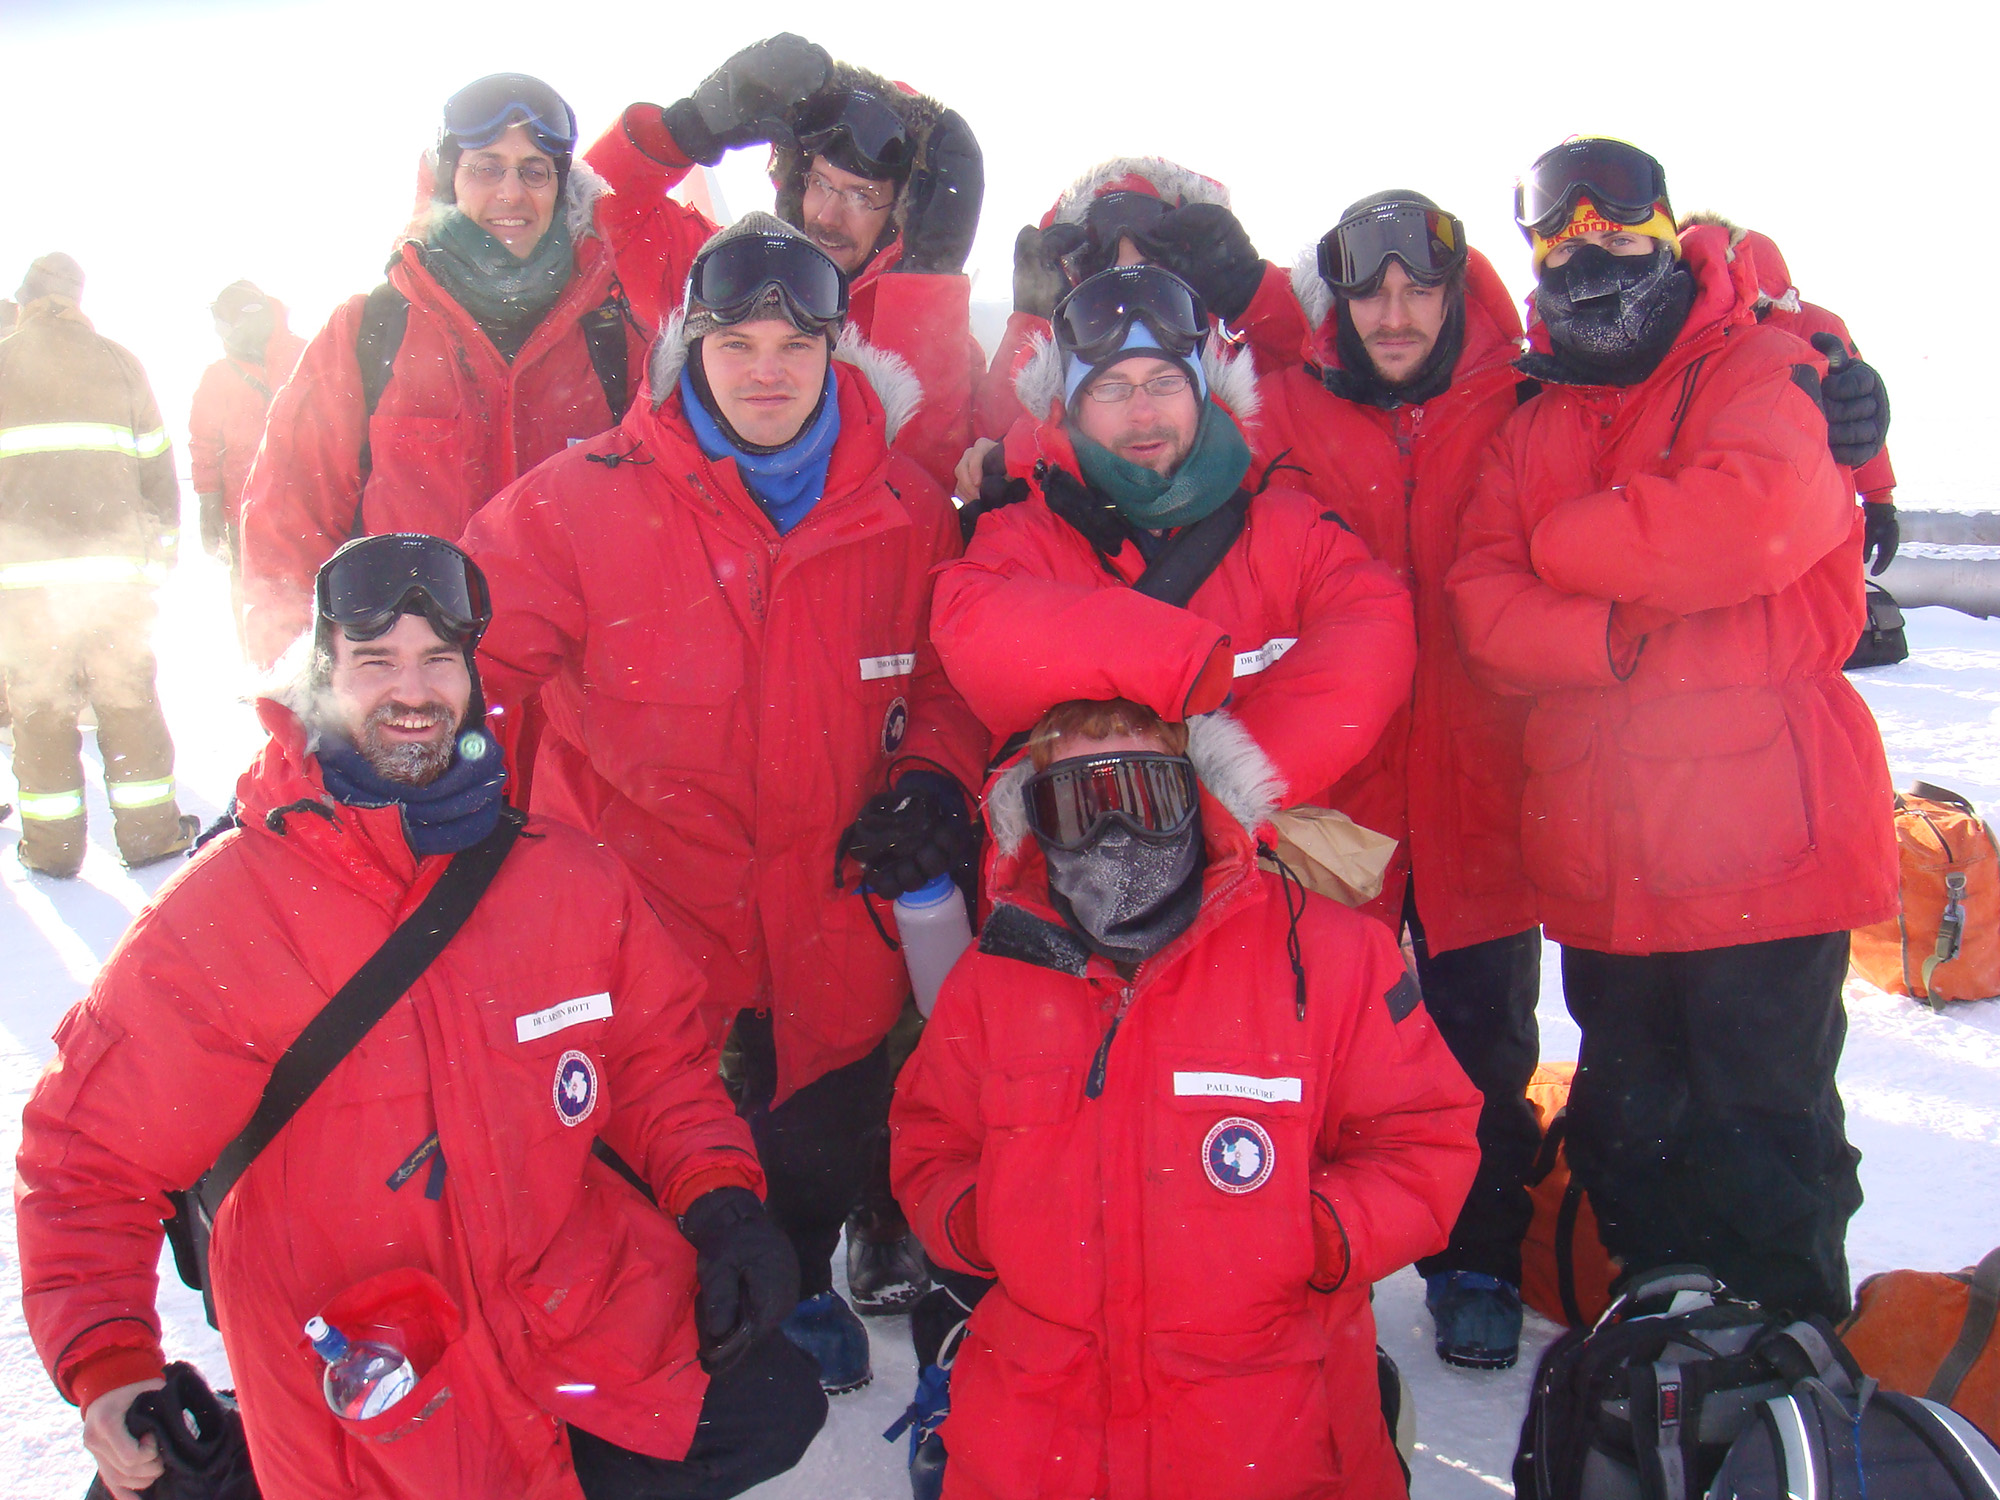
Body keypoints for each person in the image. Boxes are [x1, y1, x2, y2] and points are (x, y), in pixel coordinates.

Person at [17, 533, 825, 1500]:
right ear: (321, 679)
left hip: (557, 1316)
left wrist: (721, 1201)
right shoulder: (222, 917)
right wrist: (110, 1364)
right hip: (367, 1376)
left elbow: (658, 1067)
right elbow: (85, 1163)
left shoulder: (565, 879)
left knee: (775, 1403)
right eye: (376, 662)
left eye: (438, 659)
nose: (413, 690)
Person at [461, 217, 989, 1395]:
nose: (765, 371)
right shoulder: (577, 504)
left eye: (793, 346)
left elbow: (953, 673)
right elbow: (448, 670)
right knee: (645, 1168)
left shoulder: (904, 507)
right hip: (647, 939)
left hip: (830, 932)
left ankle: (801, 1282)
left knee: (814, 1150)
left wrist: (934, 777)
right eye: (735, 341)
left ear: (835, 354)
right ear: (689, 348)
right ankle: (652, 1329)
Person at [1447, 137, 1900, 1322]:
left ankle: (1786, 1393)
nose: (1590, 254)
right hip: (1603, 867)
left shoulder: (1768, 365)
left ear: (1663, 229)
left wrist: (1566, 552)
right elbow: (1483, 613)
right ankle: (1652, 1384)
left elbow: (1748, 527)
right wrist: (1613, 638)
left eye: (1617, 227)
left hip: (1763, 848)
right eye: (1560, 236)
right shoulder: (1528, 423)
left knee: (1768, 1149)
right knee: (1627, 1146)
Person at [890, 694, 1481, 1500]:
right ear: (1033, 815)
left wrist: (1317, 1238)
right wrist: (984, 1218)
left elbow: (1425, 1136)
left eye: (1140, 795)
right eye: (1076, 805)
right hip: (1039, 1437)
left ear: (1194, 793)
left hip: (1267, 1431)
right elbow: (930, 1139)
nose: (1112, 836)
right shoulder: (996, 978)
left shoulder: (1331, 957)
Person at [1252, 191, 1547, 1369]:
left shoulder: (1526, 396)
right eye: (1366, 290)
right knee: (1313, 1038)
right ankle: (1297, 1257)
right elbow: (1147, 421)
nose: (1390, 313)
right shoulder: (1284, 401)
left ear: (1452, 291)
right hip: (1338, 787)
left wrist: (1836, 386)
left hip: (1482, 783)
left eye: (1416, 288)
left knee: (1484, 1042)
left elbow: (1695, 337)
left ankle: (1474, 1254)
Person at [931, 263, 1415, 819]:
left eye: (1166, 382)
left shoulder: (1292, 532)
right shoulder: (1021, 538)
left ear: (1202, 394)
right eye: (1112, 387)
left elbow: (1376, 629)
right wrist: (1182, 662)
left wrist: (1226, 785)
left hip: (1264, 888)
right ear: (1072, 408)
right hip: (1086, 887)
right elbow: (971, 626)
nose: (1144, 411)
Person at [239, 73, 644, 666]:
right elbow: (285, 530)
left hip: (572, 716)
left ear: (561, 190)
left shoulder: (613, 339)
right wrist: (312, 698)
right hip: (413, 709)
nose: (512, 192)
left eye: (535, 170)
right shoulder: (370, 330)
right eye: (486, 167)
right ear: (449, 181)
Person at [583, 33, 985, 491]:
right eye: (820, 183)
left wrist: (928, 272)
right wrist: (683, 131)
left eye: (863, 196)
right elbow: (591, 230)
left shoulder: (936, 339)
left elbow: (922, 481)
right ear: (796, 182)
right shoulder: (721, 276)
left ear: (900, 217)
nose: (829, 216)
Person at [0, 251, 194, 877]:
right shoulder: (119, 363)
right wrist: (158, 557)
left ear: (26, 298)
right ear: (78, 301)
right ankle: (149, 835)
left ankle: (54, 851)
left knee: (40, 707)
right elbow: (159, 473)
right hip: (114, 578)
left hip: (22, 583)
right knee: (127, 699)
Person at [970, 157, 1310, 446]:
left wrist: (1254, 295)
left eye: (1150, 276)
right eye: (1109, 283)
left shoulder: (1251, 369)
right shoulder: (1064, 384)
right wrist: (1035, 325)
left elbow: (1323, 384)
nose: (1133, 305)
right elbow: (993, 444)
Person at [1679, 213, 1899, 573]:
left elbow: (1858, 416)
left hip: (1812, 514)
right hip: (1708, 517)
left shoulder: (1819, 329)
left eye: (1758, 300)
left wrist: (1879, 501)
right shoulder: (1677, 337)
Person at [189, 279, 306, 654]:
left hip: (263, 509)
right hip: (292, 506)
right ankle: (282, 668)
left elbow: (204, 446)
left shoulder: (220, 376)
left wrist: (210, 506)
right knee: (296, 588)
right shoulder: (310, 355)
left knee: (263, 593)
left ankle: (269, 668)